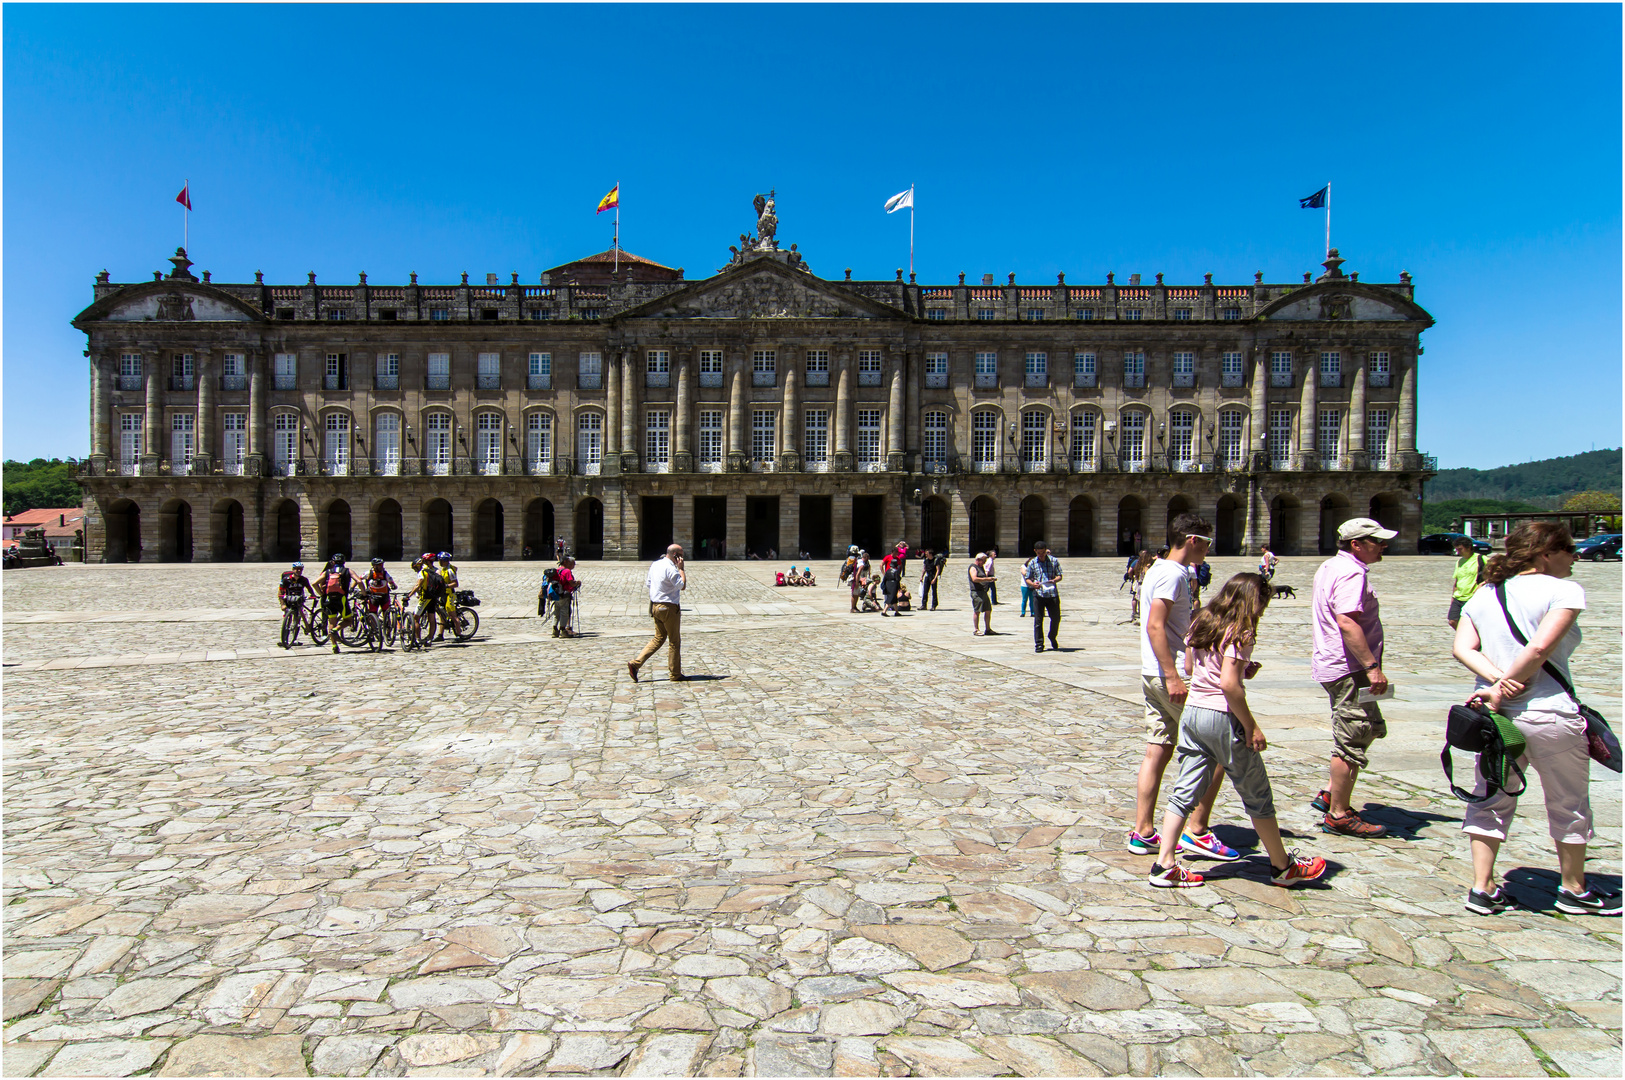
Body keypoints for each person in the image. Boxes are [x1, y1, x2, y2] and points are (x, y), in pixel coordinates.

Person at [1452, 523, 1618, 915]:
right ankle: (1573, 888)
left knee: (1490, 798)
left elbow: (1462, 647)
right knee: (1568, 802)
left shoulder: (1486, 592)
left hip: (1496, 718)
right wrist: (1509, 681)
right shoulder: (1563, 590)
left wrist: (1495, 684)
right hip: (1549, 712)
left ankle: (1483, 887)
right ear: (1546, 553)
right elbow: (1541, 646)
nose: (1576, 557)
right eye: (1570, 550)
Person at [1149, 573, 1329, 889]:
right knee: (1257, 793)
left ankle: (1164, 863)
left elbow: (1192, 669)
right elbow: (1229, 685)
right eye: (1263, 602)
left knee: (1185, 788)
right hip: (1222, 717)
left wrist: (1242, 668)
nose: (1262, 609)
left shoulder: (1201, 621)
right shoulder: (1240, 632)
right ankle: (1282, 865)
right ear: (1251, 599)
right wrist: (1251, 726)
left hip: (1193, 713)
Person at [1131, 514, 1236, 859]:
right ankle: (1198, 830)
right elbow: (1156, 626)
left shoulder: (1158, 569)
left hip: (1153, 673)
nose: (1209, 548)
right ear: (1191, 540)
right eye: (1206, 542)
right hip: (1169, 675)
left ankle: (1143, 831)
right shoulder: (1173, 574)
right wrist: (1174, 675)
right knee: (1220, 747)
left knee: (1157, 748)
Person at [1307, 518, 1396, 838]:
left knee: (1371, 726)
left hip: (1344, 666)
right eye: (1377, 541)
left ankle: (1333, 791)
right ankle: (1339, 813)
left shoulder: (1331, 566)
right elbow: (1346, 622)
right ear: (1356, 544)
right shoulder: (1351, 572)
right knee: (1353, 736)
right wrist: (1372, 667)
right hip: (1352, 670)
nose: (1384, 546)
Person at [629, 543, 686, 682]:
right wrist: (681, 570)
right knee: (674, 641)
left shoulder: (655, 564)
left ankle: (636, 663)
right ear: (675, 556)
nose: (682, 559)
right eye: (681, 556)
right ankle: (675, 674)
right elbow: (682, 585)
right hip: (668, 607)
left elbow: (649, 583)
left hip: (655, 606)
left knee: (659, 638)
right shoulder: (671, 568)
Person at [1023, 540, 1063, 653]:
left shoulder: (1054, 561)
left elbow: (1060, 575)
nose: (1041, 555)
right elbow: (1027, 578)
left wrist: (1054, 580)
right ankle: (1039, 644)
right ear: (1035, 551)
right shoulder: (1032, 563)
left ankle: (1052, 635)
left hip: (1052, 594)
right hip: (1039, 595)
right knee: (1038, 620)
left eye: (1043, 552)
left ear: (1046, 551)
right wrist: (1033, 584)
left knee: (1056, 618)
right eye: (1039, 553)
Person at [314, 554, 356, 654]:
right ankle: (336, 630)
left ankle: (334, 646)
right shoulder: (347, 571)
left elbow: (314, 583)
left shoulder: (328, 572)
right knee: (349, 620)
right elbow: (358, 580)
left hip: (329, 599)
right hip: (341, 599)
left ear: (333, 562)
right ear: (344, 562)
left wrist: (322, 594)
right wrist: (362, 592)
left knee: (331, 623)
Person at [1448, 536, 1486, 629]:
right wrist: (1453, 596)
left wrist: (1481, 585)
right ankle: (1465, 636)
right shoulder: (1460, 561)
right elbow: (1457, 580)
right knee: (1452, 621)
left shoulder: (1481, 559)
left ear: (1468, 547)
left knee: (1472, 622)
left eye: (1460, 549)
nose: (1458, 551)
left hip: (1472, 597)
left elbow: (1494, 575)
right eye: (1456, 549)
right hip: (1458, 597)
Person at [278, 562, 314, 647]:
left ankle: (294, 639)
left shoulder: (304, 580)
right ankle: (285, 639)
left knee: (297, 620)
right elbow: (280, 593)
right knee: (287, 620)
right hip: (289, 601)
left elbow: (309, 588)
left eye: (300, 569)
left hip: (299, 601)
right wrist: (282, 604)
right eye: (296, 569)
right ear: (293, 569)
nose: (298, 571)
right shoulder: (286, 580)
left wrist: (313, 595)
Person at [552, 555, 581, 637]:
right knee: (565, 612)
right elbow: (571, 583)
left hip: (556, 595)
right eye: (572, 563)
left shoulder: (557, 570)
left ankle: (554, 629)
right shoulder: (567, 571)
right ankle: (563, 630)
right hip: (564, 594)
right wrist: (577, 583)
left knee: (556, 613)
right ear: (566, 562)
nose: (573, 565)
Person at [968, 552, 995, 635]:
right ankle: (976, 629)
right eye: (983, 560)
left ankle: (988, 629)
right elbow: (974, 579)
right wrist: (987, 579)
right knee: (977, 610)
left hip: (983, 591)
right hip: (976, 592)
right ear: (978, 560)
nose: (984, 562)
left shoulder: (981, 567)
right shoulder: (973, 567)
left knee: (988, 610)